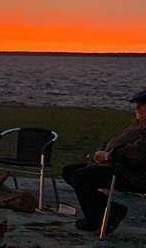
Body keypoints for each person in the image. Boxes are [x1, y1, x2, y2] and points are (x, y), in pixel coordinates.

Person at [62, 89, 146, 235]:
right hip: (115, 165)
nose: (137, 108)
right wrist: (101, 152)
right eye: (137, 104)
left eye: (142, 105)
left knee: (82, 176)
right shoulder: (136, 124)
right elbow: (114, 141)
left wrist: (108, 156)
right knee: (70, 171)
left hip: (131, 172)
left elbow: (138, 152)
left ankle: (94, 219)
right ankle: (110, 209)